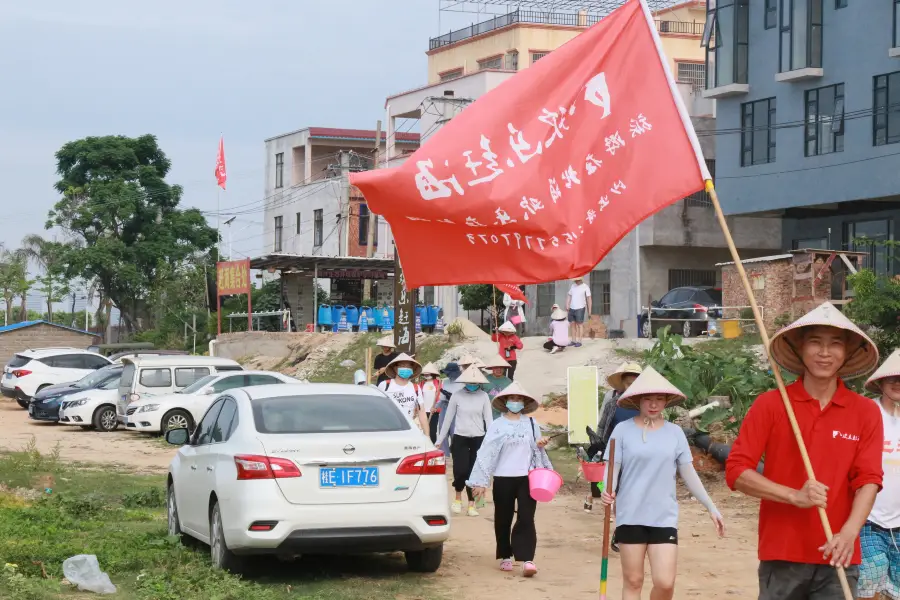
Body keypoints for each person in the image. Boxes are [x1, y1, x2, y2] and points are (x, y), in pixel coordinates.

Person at [726, 302, 883, 600]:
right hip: (782, 552)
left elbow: (869, 480)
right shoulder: (771, 405)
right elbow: (737, 471)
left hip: (839, 551)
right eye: (815, 342)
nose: (825, 353)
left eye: (835, 344)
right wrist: (793, 496)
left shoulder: (864, 412)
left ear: (847, 352)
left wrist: (850, 532)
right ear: (799, 348)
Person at [601, 366, 725, 600]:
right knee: (633, 581)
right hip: (630, 514)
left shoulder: (675, 433)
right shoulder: (622, 431)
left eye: (659, 399)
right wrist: (607, 492)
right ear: (638, 400)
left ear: (667, 401)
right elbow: (610, 470)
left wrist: (711, 507)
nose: (654, 404)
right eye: (648, 399)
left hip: (664, 517)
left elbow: (689, 474)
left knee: (665, 583)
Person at [468, 382, 553, 578]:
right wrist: (481, 481)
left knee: (526, 517)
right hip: (503, 477)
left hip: (527, 477)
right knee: (503, 518)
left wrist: (540, 444)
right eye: (512, 399)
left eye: (519, 399)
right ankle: (505, 554)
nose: (516, 402)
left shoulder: (531, 424)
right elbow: (486, 453)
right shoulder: (497, 425)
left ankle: (526, 559)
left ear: (524, 402)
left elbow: (536, 449)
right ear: (506, 402)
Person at [859, 349, 900, 600]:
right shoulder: (866, 414)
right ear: (881, 382)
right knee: (868, 585)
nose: (897, 383)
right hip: (869, 519)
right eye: (892, 378)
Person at [585, 362, 642, 514]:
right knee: (613, 488)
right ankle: (619, 521)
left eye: (635, 384)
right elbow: (603, 427)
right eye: (629, 384)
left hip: (639, 454)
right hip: (616, 453)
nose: (632, 387)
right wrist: (600, 447)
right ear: (623, 384)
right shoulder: (612, 404)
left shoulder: (645, 406)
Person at [436, 366, 493, 517]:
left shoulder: (484, 396)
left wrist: (491, 439)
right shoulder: (457, 395)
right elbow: (448, 419)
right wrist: (440, 440)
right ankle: (457, 499)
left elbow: (489, 419)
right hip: (460, 437)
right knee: (460, 470)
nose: (472, 384)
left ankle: (472, 504)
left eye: (474, 382)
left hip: (478, 438)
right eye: (469, 381)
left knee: (473, 472)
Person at [377, 353, 429, 434]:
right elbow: (377, 410)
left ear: (412, 370)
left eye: (409, 366)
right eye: (402, 365)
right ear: (395, 368)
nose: (406, 368)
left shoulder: (416, 388)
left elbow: (421, 412)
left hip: (408, 431)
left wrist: (427, 436)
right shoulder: (384, 385)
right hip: (388, 431)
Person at [435, 362, 462, 456]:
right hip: (445, 406)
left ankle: (456, 453)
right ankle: (444, 454)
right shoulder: (445, 381)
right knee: (443, 431)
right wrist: (435, 406)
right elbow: (442, 397)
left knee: (454, 431)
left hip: (457, 408)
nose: (448, 375)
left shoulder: (462, 382)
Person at [481, 355, 513, 420]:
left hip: (503, 413)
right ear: (492, 368)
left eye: (501, 367)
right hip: (487, 412)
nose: (499, 370)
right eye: (496, 367)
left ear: (504, 368)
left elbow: (512, 398)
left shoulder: (509, 382)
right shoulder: (484, 380)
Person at [419, 362, 443, 444]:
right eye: (425, 374)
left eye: (428, 374)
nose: (426, 376)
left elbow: (441, 397)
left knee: (432, 432)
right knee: (423, 430)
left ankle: (432, 447)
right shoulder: (422, 384)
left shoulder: (438, 383)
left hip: (434, 411)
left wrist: (436, 407)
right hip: (423, 411)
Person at [566, 276, 591, 348]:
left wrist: (589, 311)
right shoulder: (573, 286)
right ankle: (573, 340)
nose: (575, 281)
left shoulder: (585, 287)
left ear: (580, 279)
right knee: (572, 324)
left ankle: (579, 341)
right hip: (572, 308)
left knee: (580, 325)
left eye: (576, 280)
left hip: (580, 308)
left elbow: (589, 299)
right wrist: (567, 304)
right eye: (574, 280)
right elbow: (569, 295)